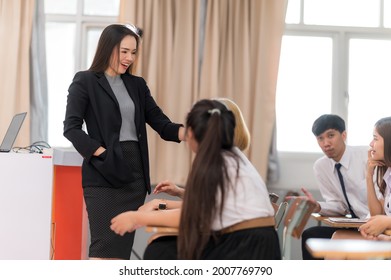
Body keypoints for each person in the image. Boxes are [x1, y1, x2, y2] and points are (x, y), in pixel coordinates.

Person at [63, 23, 185, 260]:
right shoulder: (85, 81)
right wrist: (101, 153)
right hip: (103, 174)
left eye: (134, 52)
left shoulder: (137, 85)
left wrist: (192, 132)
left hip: (134, 175)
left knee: (120, 252)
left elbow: (162, 125)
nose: (129, 58)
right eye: (124, 51)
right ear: (108, 48)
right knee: (103, 247)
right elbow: (71, 128)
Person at [110, 99, 281, 260]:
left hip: (247, 247)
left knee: (160, 251)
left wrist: (136, 218)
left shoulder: (217, 162)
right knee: (162, 247)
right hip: (258, 241)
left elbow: (192, 217)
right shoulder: (229, 157)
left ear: (191, 133)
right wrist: (159, 206)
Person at [299, 114, 371, 260]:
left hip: (374, 226)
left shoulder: (366, 156)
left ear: (343, 135)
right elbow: (339, 206)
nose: (326, 143)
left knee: (337, 241)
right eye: (320, 138)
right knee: (311, 236)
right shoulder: (321, 166)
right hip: (354, 226)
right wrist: (317, 206)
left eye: (330, 135)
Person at [152, 97, 251, 199]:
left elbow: (204, 210)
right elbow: (207, 201)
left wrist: (161, 205)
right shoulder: (229, 157)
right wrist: (179, 192)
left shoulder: (221, 165)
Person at [331, 117, 391, 243]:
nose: (371, 144)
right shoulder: (388, 175)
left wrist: (385, 222)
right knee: (338, 237)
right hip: (386, 236)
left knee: (340, 241)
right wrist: (368, 175)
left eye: (375, 138)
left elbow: (381, 219)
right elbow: (376, 214)